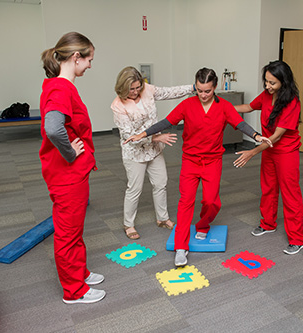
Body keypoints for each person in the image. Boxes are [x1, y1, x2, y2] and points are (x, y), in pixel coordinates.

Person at [125, 68, 272, 266]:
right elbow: (166, 122)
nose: (203, 95)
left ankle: (203, 225)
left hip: (212, 161)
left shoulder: (224, 106)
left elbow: (239, 124)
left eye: (207, 91)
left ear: (215, 87)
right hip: (190, 161)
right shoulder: (187, 104)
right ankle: (181, 247)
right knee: (186, 202)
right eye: (199, 90)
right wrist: (143, 134)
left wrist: (256, 136)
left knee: (211, 202)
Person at [39, 32, 105, 304]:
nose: (90, 65)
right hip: (66, 175)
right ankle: (74, 291)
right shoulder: (61, 88)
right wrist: (70, 153)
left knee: (74, 229)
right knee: (67, 234)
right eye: (89, 59)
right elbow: (53, 129)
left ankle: (80, 273)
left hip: (71, 175)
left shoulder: (59, 85)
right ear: (76, 57)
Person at [111, 66, 194, 239]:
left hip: (154, 151)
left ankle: (162, 218)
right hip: (135, 153)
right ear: (123, 88)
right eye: (131, 89)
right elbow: (129, 136)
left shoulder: (147, 90)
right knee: (135, 189)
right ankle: (128, 224)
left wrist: (193, 88)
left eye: (137, 87)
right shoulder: (118, 106)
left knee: (161, 183)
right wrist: (157, 138)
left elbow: (169, 92)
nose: (135, 91)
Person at [233, 60, 303, 255]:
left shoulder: (292, 102)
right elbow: (248, 107)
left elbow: (276, 137)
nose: (267, 86)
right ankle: (268, 224)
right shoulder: (267, 95)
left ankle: (297, 238)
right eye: (266, 82)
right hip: (269, 152)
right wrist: (225, 108)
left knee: (290, 194)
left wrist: (252, 152)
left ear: (284, 81)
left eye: (272, 83)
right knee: (268, 189)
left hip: (286, 152)